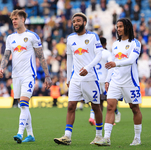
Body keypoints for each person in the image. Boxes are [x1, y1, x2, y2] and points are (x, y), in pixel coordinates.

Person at [0, 9, 52, 144]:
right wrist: (2, 68)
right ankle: (31, 135)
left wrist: (47, 75)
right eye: (12, 20)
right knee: (23, 106)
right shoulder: (10, 38)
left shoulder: (33, 36)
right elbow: (6, 55)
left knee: (23, 103)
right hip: (16, 76)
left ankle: (20, 133)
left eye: (16, 19)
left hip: (29, 74)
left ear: (23, 19)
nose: (14, 21)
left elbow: (41, 56)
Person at [54, 12, 103, 145]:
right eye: (74, 21)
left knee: (96, 107)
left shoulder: (93, 36)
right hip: (75, 78)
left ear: (84, 22)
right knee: (71, 106)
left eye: (78, 21)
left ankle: (99, 136)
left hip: (90, 77)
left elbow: (99, 55)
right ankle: (67, 136)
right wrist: (69, 77)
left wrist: (88, 67)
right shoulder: (70, 38)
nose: (76, 23)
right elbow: (69, 58)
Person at [95, 18, 142, 146]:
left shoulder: (135, 43)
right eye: (117, 27)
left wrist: (116, 63)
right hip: (115, 80)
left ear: (127, 27)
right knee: (110, 107)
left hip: (130, 82)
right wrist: (107, 80)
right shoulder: (115, 44)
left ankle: (137, 138)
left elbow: (131, 60)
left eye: (120, 26)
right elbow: (111, 65)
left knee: (135, 108)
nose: (118, 29)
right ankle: (106, 138)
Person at [89, 37, 121, 126]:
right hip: (105, 79)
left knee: (98, 99)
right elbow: (112, 65)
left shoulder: (94, 53)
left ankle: (115, 114)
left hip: (97, 79)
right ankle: (96, 118)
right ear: (105, 44)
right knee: (108, 99)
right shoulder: (107, 53)